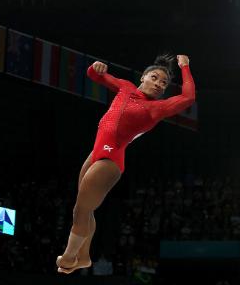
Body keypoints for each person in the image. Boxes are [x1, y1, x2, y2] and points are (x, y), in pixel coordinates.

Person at [56, 54, 196, 273]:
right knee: (84, 208)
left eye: (164, 83)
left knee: (82, 209)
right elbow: (94, 75)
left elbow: (188, 97)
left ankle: (69, 256)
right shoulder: (126, 87)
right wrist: (96, 66)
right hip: (96, 152)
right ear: (143, 77)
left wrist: (185, 67)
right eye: (155, 77)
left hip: (111, 160)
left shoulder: (157, 108)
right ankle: (83, 256)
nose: (159, 84)